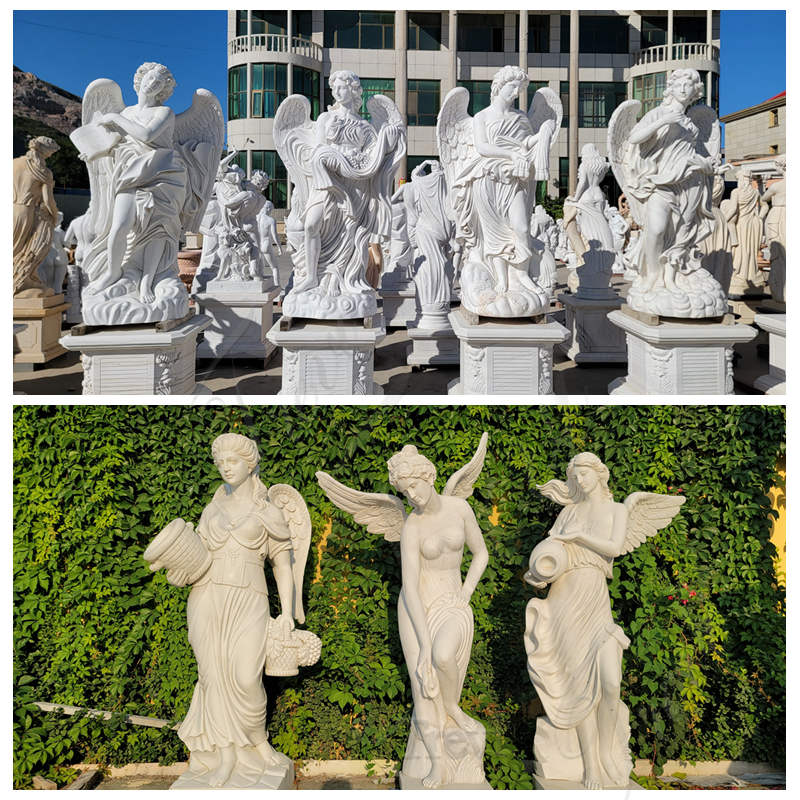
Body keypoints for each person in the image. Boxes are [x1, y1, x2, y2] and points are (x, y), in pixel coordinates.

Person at [176, 433, 297, 788]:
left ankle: (257, 744)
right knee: (212, 676)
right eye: (221, 462)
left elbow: (283, 563)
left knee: (246, 677)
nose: (226, 467)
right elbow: (195, 555)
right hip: (206, 596)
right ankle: (224, 754)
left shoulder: (267, 511)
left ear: (251, 464)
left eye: (233, 461)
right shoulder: (211, 510)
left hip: (249, 597)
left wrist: (286, 611)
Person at [526, 453, 629, 790]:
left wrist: (577, 538)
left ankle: (606, 751)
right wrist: (539, 575)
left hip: (595, 599)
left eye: (584, 475)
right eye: (575, 477)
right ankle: (591, 766)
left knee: (610, 682)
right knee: (580, 685)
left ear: (599, 475)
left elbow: (613, 547)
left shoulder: (617, 511)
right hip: (564, 601)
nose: (580, 482)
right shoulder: (567, 513)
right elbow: (551, 551)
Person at [623, 68, 715, 294]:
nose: (683, 89)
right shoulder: (658, 113)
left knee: (682, 233)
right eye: (679, 85)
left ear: (696, 92)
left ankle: (671, 278)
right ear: (670, 90)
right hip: (661, 183)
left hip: (690, 185)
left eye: (689, 86)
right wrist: (663, 121)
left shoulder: (691, 124)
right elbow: (634, 138)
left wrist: (706, 166)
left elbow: (700, 157)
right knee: (656, 230)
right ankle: (652, 275)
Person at [13, 135, 60, 296]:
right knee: (26, 249)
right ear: (45, 152)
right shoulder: (43, 172)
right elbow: (48, 200)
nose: (51, 156)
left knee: (14, 248)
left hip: (11, 209)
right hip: (27, 211)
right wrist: (54, 216)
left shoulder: (13, 164)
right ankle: (20, 282)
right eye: (51, 154)